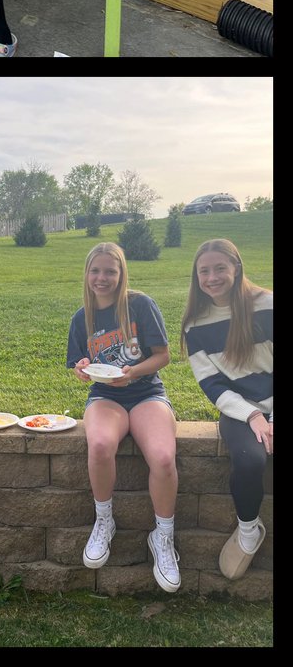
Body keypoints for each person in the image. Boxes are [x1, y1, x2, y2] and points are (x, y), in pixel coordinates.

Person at [68, 242, 181, 593]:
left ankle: (163, 538)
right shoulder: (81, 317)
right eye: (96, 271)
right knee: (100, 444)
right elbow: (80, 364)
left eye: (110, 271)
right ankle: (104, 521)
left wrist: (131, 373)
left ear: (121, 273)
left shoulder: (139, 305)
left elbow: (162, 356)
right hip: (106, 396)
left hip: (146, 392)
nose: (102, 278)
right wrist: (83, 369)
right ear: (87, 274)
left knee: (163, 457)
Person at [180, 239, 272, 580]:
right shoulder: (195, 325)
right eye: (204, 270)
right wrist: (252, 415)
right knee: (249, 461)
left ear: (237, 268)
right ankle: (249, 529)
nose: (212, 277)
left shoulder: (268, 306)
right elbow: (213, 385)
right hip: (239, 410)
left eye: (220, 268)